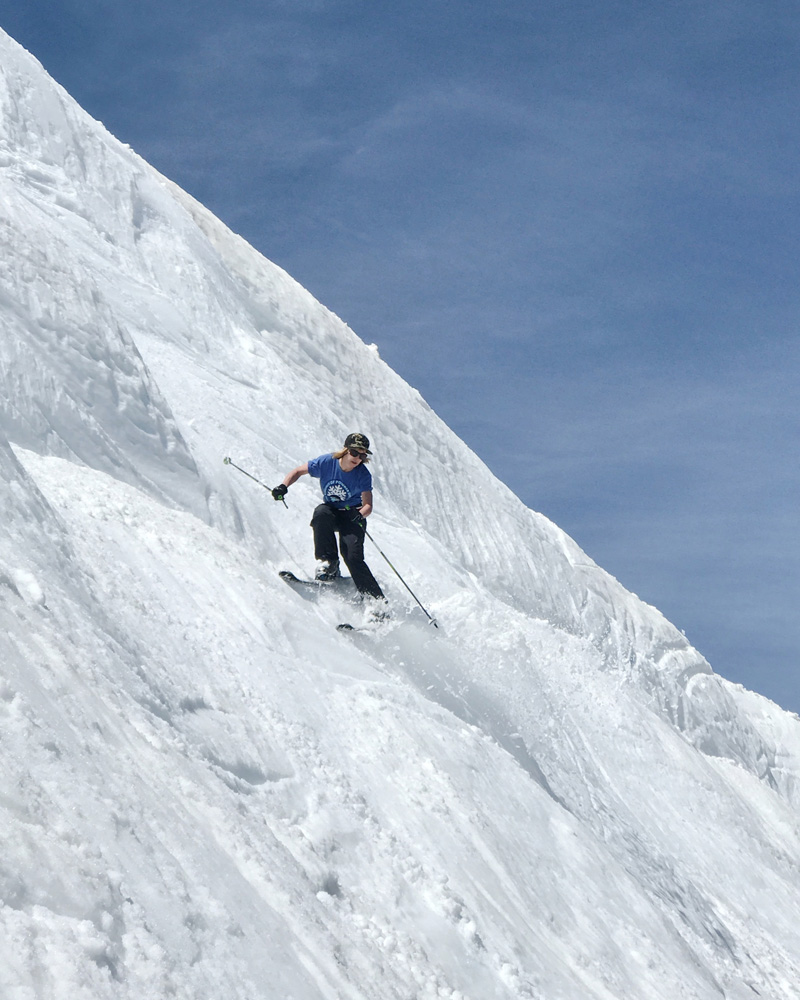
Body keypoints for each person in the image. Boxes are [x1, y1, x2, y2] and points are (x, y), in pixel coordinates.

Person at [272, 433, 386, 603]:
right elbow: (298, 471)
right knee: (321, 513)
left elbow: (368, 505)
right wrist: (283, 486)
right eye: (355, 453)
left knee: (353, 557)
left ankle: (377, 603)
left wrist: (359, 514)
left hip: (353, 515)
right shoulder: (327, 462)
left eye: (362, 455)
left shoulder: (363, 475)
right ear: (346, 450)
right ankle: (330, 564)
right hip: (332, 512)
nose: (358, 458)